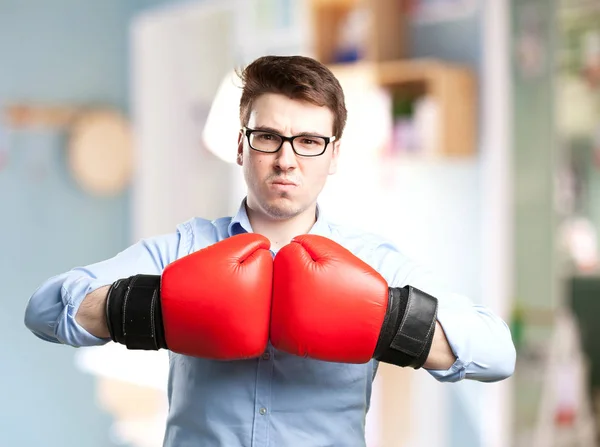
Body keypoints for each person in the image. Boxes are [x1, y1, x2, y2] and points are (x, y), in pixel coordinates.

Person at [24, 55, 516, 447]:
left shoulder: (374, 263)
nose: (286, 160)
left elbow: (497, 353)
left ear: (334, 155)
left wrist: (386, 319)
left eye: (308, 141)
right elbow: (44, 310)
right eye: (268, 137)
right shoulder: (186, 248)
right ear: (241, 145)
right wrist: (155, 308)